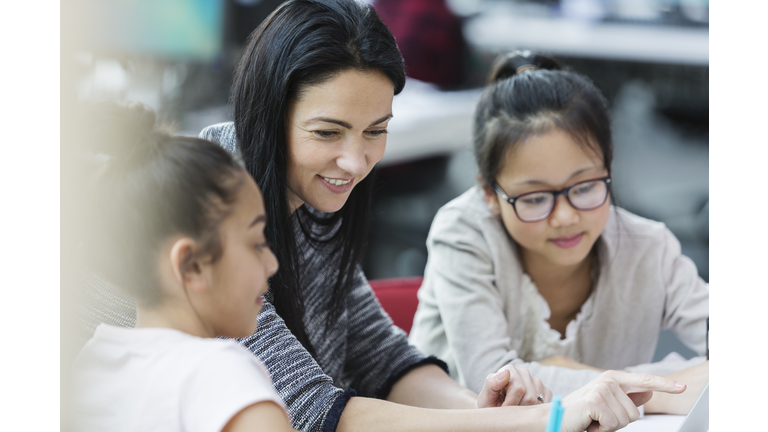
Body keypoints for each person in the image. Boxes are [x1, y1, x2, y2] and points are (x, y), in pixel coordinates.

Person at [197, 1, 687, 431]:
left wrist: (479, 412)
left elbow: (380, 357)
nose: (355, 162)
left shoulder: (308, 194)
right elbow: (306, 409)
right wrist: (543, 420)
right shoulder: (204, 211)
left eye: (375, 131)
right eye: (328, 133)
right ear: (266, 113)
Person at [408, 51, 709, 415]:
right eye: (535, 198)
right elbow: (496, 385)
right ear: (489, 194)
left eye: (584, 188)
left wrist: (582, 378)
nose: (565, 217)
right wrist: (661, 388)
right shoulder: (464, 232)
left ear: (607, 165)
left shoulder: (648, 246)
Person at [71, 102, 295, 432]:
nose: (272, 263)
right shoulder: (222, 377)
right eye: (257, 244)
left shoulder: (92, 365)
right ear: (191, 265)